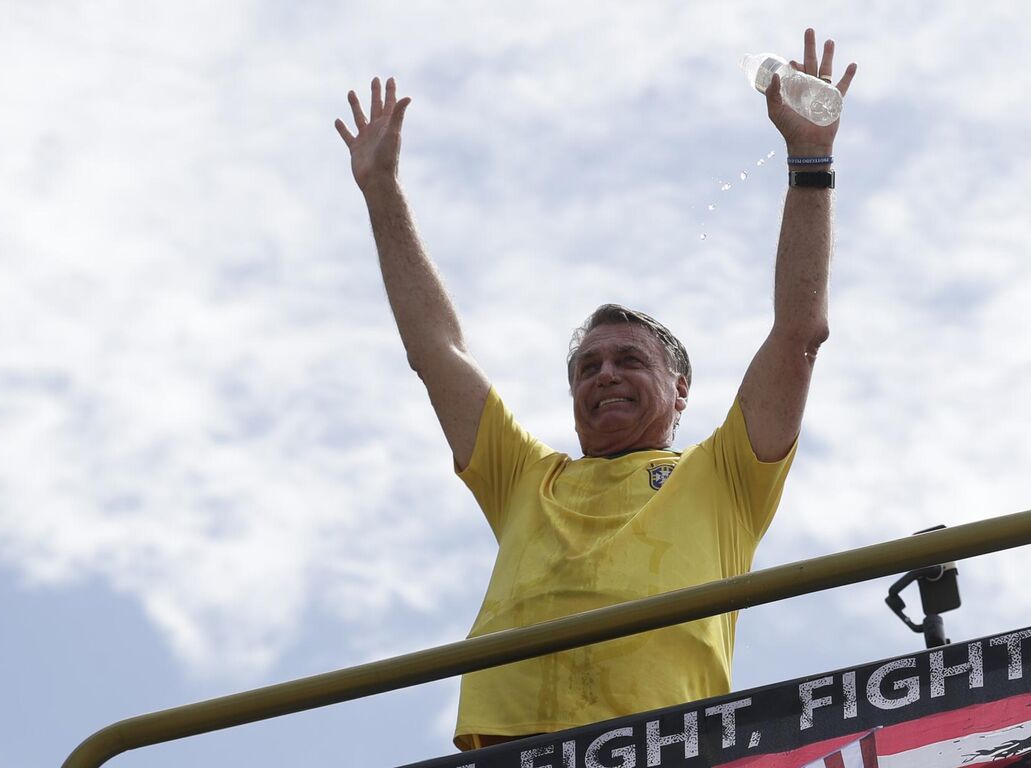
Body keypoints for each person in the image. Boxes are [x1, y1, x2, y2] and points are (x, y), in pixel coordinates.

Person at [333, 29, 858, 750]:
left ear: (680, 392)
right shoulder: (526, 479)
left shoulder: (726, 476)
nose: (604, 373)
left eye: (629, 361)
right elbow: (436, 351)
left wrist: (811, 161)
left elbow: (799, 331)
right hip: (509, 750)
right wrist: (382, 191)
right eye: (587, 367)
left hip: (660, 744)